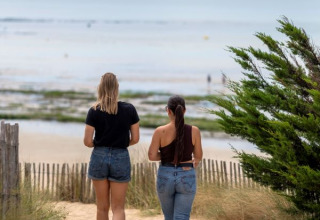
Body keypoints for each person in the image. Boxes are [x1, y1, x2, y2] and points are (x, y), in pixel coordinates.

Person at [83, 72, 140, 220]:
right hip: (121, 155)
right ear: (117, 87)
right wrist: (121, 142)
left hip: (99, 156)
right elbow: (135, 138)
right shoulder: (129, 109)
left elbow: (87, 141)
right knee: (118, 208)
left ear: (100, 88)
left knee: (102, 208)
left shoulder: (94, 110)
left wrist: (100, 143)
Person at [148, 95, 203, 220]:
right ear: (184, 110)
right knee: (182, 216)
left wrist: (168, 156)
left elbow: (151, 156)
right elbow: (198, 156)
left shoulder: (160, 131)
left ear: (168, 110)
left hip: (165, 174)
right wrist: (192, 160)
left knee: (169, 217)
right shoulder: (194, 131)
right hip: (186, 173)